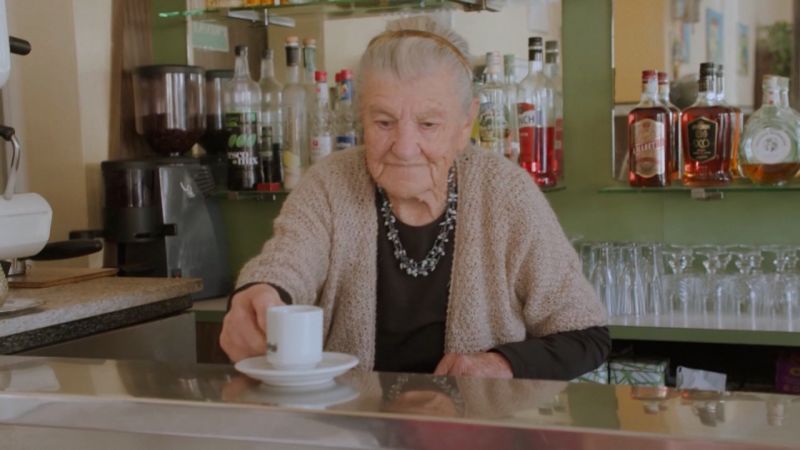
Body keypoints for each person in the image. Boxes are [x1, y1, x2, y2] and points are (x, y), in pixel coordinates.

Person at [220, 16, 610, 380]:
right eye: (383, 122)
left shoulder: (505, 193)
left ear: (465, 124)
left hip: (475, 425)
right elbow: (288, 260)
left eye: (428, 124)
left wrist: (500, 364)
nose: (405, 148)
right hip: (347, 422)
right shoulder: (330, 183)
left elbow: (586, 335)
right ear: (361, 118)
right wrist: (261, 292)